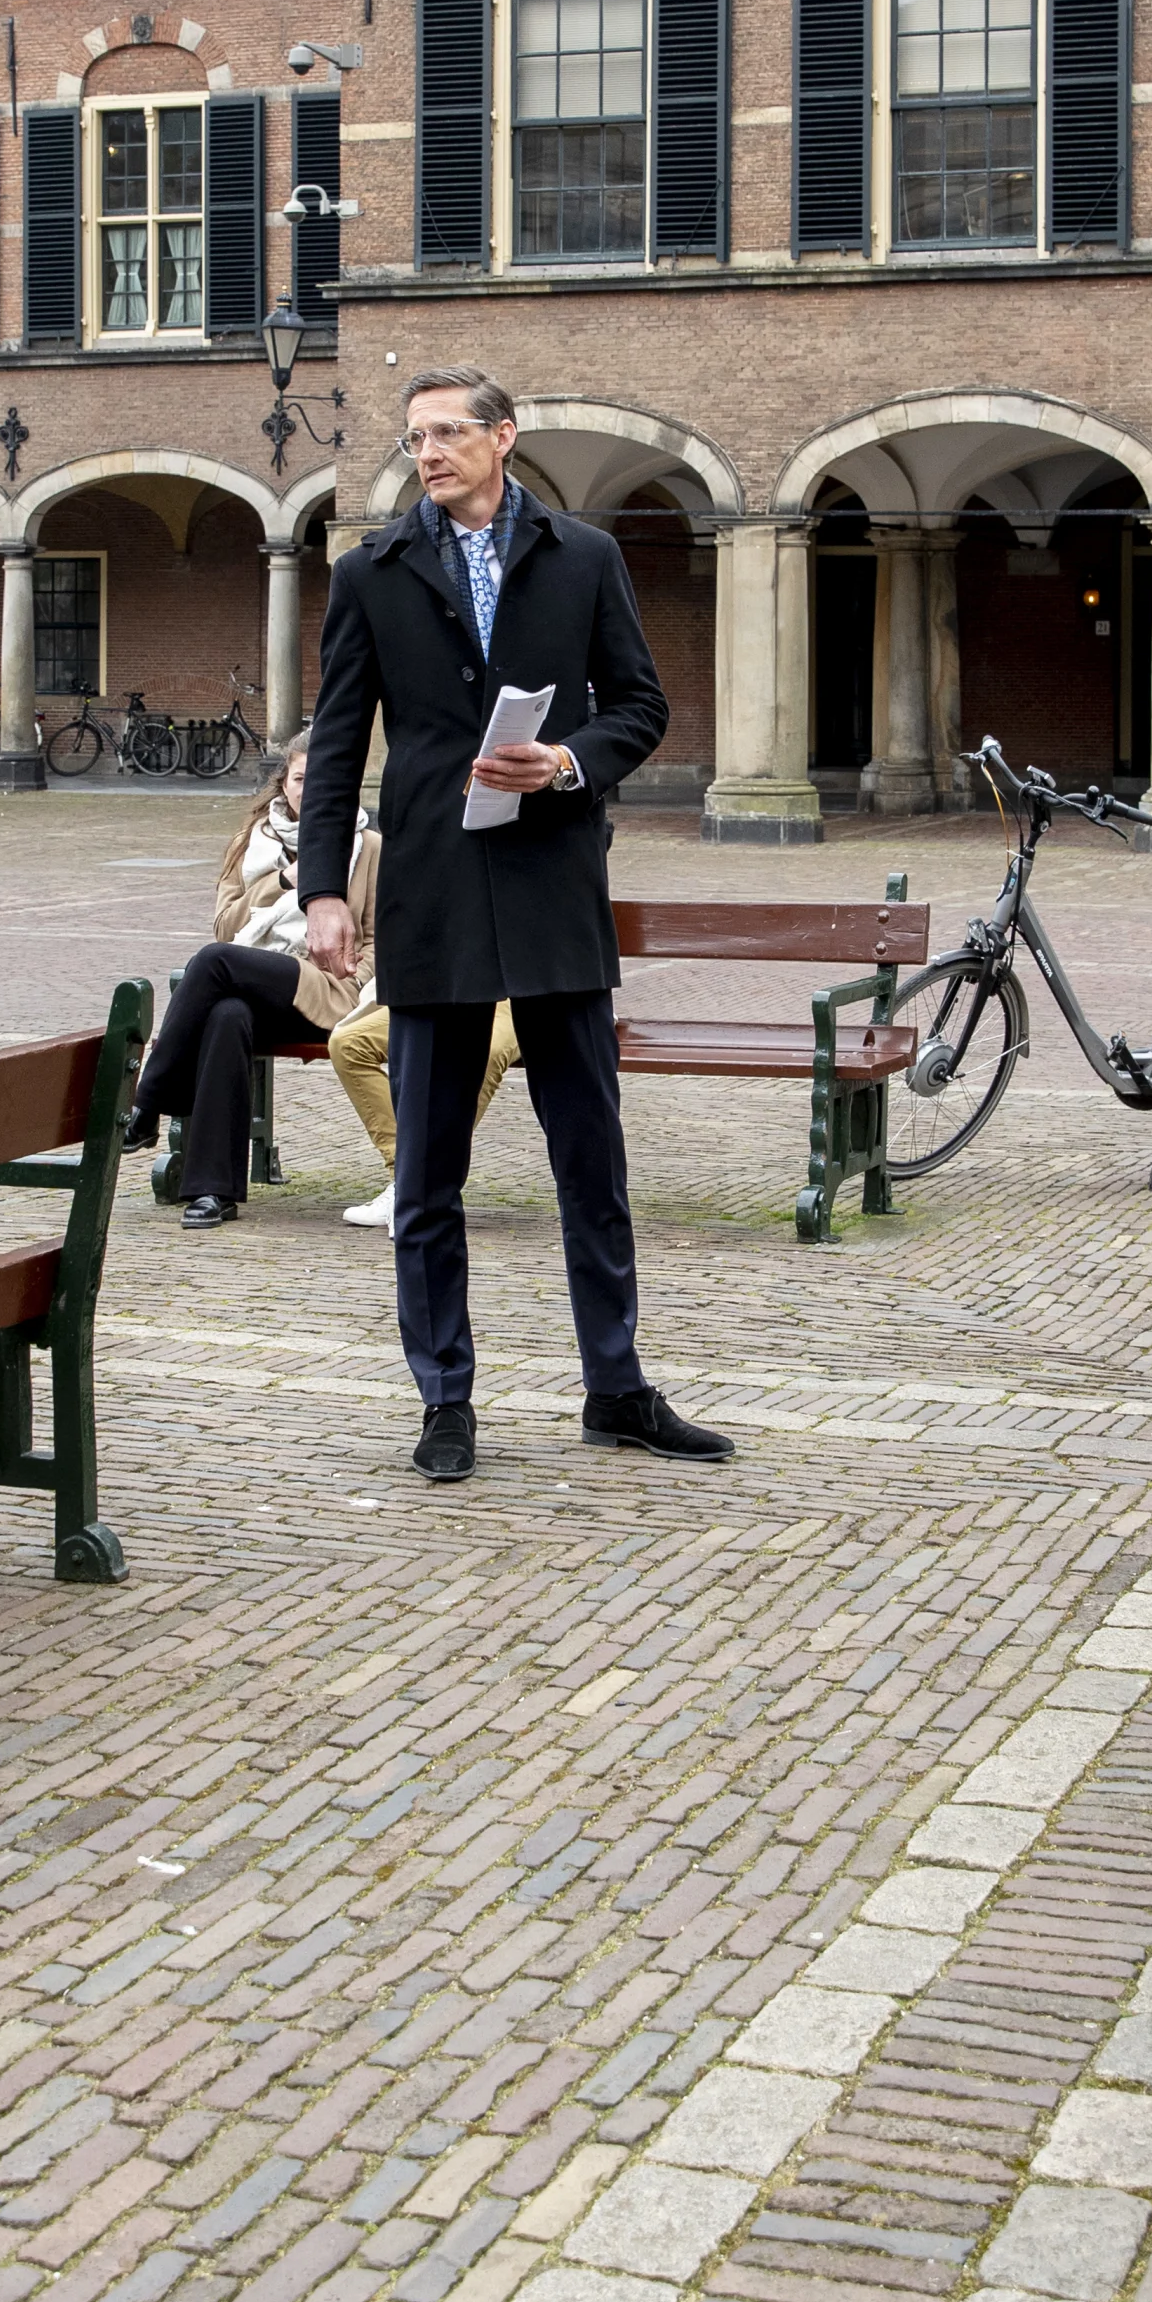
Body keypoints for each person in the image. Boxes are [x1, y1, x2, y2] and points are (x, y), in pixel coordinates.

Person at [298, 363, 732, 1485]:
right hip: (435, 896)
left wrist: (570, 764)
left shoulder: (583, 557)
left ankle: (618, 1387)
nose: (427, 451)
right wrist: (325, 893)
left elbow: (643, 704)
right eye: (416, 436)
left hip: (550, 888)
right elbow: (338, 744)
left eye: (447, 432)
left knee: (591, 1159)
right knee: (429, 1172)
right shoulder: (373, 573)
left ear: (504, 437)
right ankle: (446, 1399)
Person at [122, 734, 381, 1229]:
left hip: (330, 989)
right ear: (284, 783)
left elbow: (379, 940)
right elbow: (227, 924)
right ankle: (213, 1191)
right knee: (226, 1014)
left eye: (322, 780)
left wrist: (351, 973)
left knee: (214, 963)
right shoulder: (253, 842)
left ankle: (148, 1102)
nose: (310, 789)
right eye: (301, 778)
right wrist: (285, 881)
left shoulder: (369, 847)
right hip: (254, 981)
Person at [326, 1000, 519, 1232]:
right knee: (348, 1044)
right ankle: (410, 1183)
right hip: (435, 989)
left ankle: (422, 1190)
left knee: (485, 1051)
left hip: (509, 994)